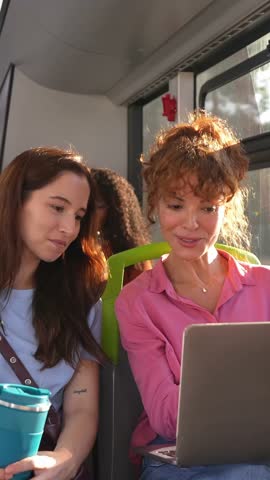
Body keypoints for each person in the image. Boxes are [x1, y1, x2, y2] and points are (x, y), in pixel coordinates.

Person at [115, 112, 270, 480]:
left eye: (207, 208)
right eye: (176, 205)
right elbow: (165, 415)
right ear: (154, 206)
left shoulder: (265, 286)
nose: (191, 223)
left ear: (226, 208)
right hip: (177, 457)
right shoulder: (137, 302)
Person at [0, 147, 107, 480]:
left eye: (78, 215)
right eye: (57, 208)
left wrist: (64, 459)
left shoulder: (80, 301)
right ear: (16, 202)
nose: (69, 228)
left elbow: (82, 405)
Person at [92, 168, 151, 284]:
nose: (87, 213)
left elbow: (143, 296)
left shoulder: (134, 255)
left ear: (116, 210)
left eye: (97, 206)